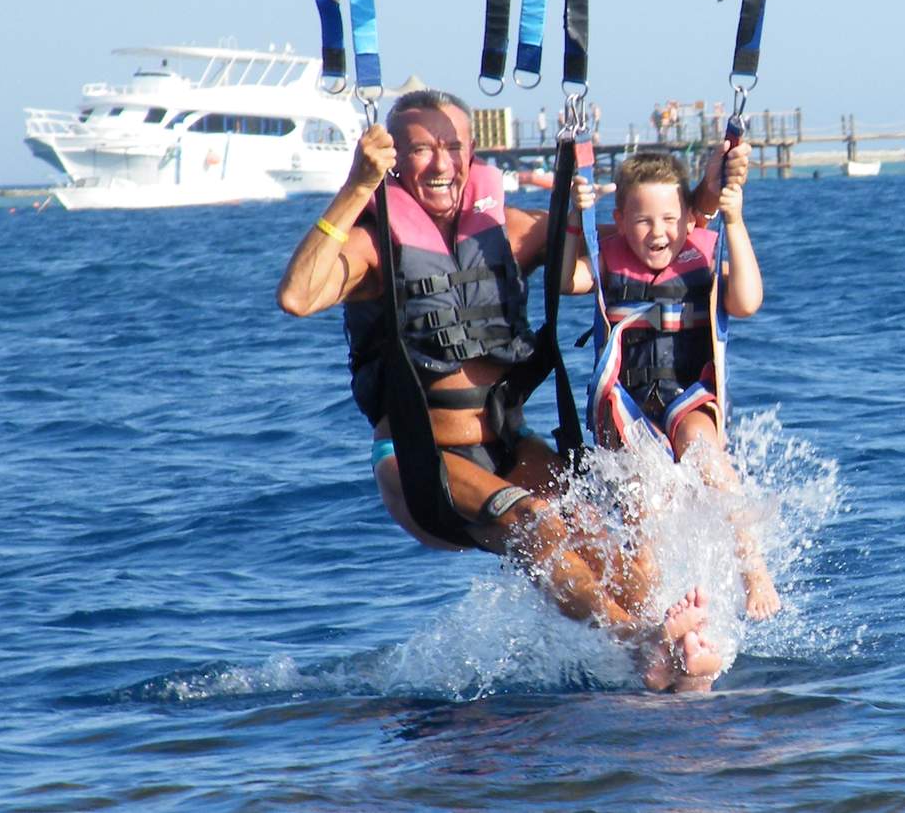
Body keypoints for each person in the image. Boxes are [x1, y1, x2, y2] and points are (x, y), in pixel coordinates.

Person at [276, 90, 746, 690]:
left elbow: (643, 239)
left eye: (452, 147)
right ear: (393, 160)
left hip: (507, 445)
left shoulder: (509, 231)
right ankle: (640, 642)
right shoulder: (374, 247)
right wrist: (357, 187)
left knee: (601, 534)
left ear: (473, 154)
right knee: (536, 521)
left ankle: (671, 659)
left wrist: (707, 193)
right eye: (420, 149)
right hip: (421, 460)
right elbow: (297, 296)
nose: (440, 163)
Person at [560, 151, 782, 620]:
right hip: (626, 405)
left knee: (705, 452)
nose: (658, 232)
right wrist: (576, 219)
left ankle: (753, 567)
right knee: (642, 505)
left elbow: (747, 302)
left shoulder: (703, 254)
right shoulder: (607, 258)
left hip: (688, 394)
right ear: (621, 220)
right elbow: (565, 280)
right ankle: (653, 614)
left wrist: (735, 222)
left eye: (669, 219)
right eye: (643, 221)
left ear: (689, 218)